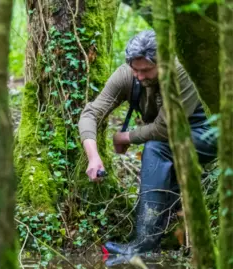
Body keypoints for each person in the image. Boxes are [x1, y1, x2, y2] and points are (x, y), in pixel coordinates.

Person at [78, 30, 217, 255]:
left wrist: (125, 137)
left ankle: (144, 242)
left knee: (157, 147)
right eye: (136, 69)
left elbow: (165, 129)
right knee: (159, 152)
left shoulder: (180, 73)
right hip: (176, 140)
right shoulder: (127, 75)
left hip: (209, 134)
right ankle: (167, 224)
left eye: (146, 70)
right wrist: (93, 156)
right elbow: (91, 113)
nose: (140, 76)